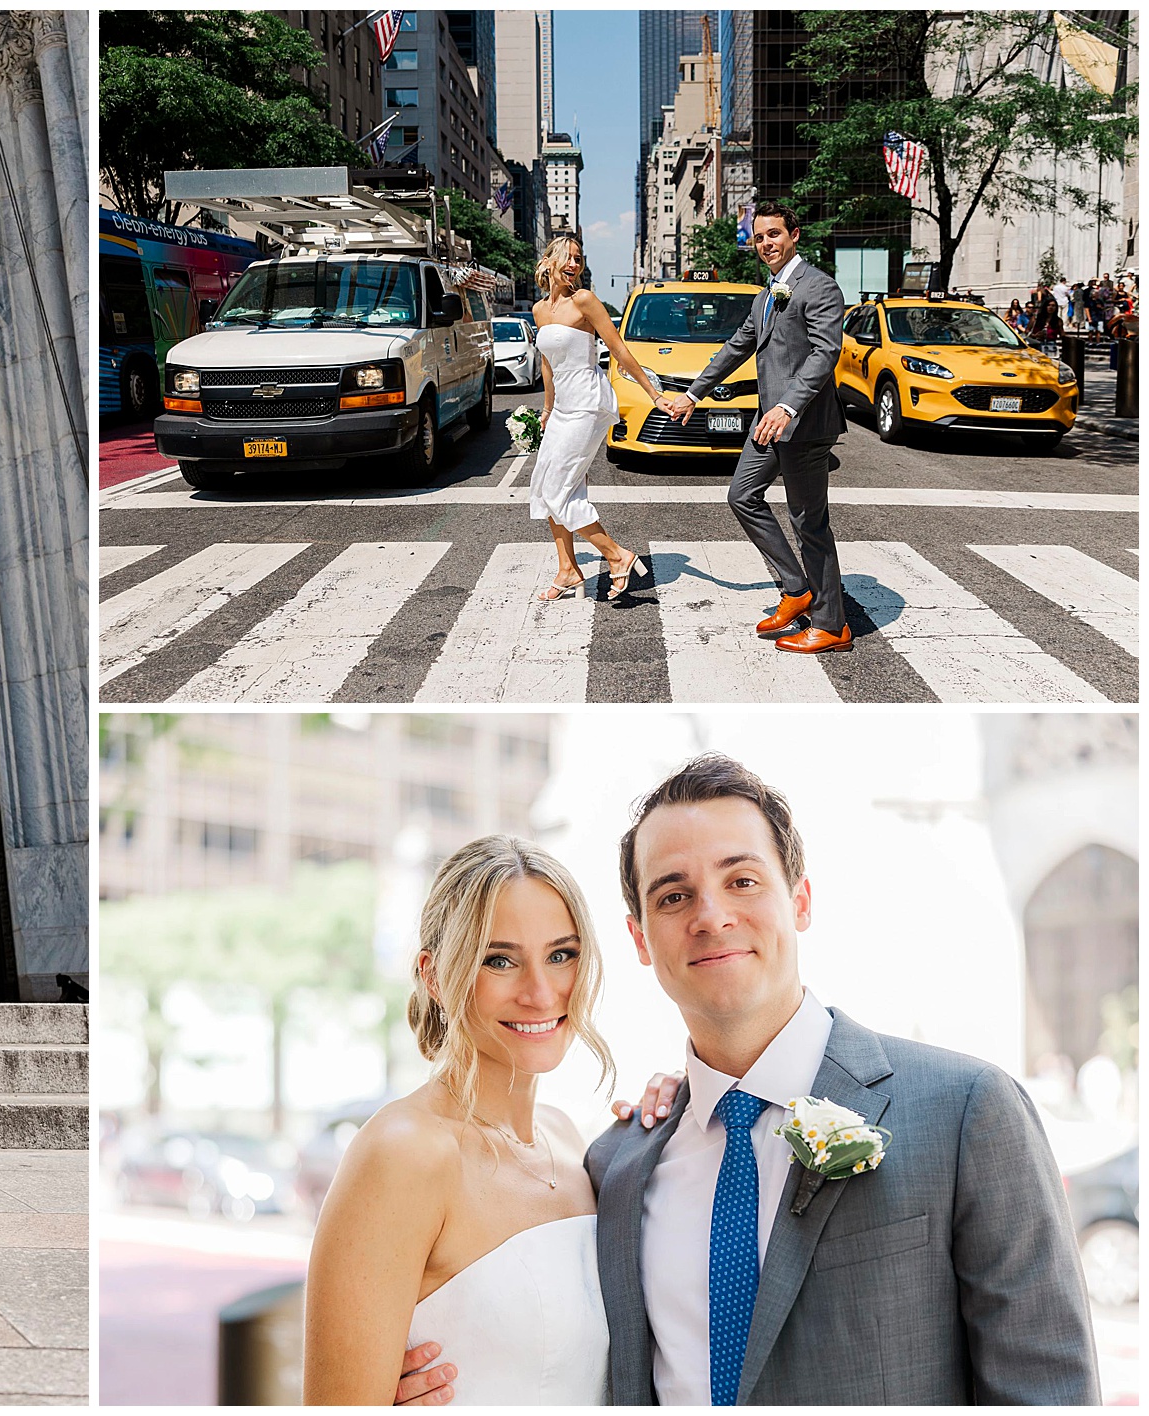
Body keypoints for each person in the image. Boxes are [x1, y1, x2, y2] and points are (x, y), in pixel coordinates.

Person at [397, 753, 1101, 1406]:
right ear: (640, 937)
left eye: (742, 880)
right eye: (673, 897)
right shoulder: (616, 1165)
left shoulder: (967, 1115)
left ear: (799, 901)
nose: (711, 916)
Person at [306, 835, 615, 1403]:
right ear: (435, 976)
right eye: (499, 960)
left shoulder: (570, 1141)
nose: (541, 991)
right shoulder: (404, 1154)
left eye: (561, 954)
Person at [666, 201, 850, 655]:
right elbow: (736, 346)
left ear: (795, 235)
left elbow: (825, 353)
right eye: (759, 236)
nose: (765, 243)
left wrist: (787, 407)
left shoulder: (819, 287)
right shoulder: (766, 294)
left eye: (774, 234)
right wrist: (693, 394)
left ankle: (832, 625)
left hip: (803, 423)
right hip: (768, 420)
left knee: (810, 523)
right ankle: (796, 589)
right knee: (742, 496)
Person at [526, 236, 675, 602]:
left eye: (579, 259)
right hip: (562, 409)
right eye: (568, 258)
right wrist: (547, 409)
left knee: (557, 489)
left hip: (588, 405)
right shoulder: (539, 311)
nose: (574, 265)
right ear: (548, 261)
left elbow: (619, 348)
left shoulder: (585, 301)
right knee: (546, 486)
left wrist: (653, 394)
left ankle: (616, 555)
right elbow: (548, 365)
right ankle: (568, 570)